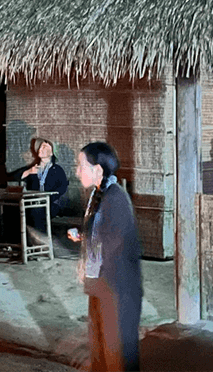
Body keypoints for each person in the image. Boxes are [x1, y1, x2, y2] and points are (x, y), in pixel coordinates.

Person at [69, 142, 142, 372]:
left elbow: (114, 243)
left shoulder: (116, 198)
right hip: (102, 285)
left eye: (82, 166)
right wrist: (83, 236)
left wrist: (87, 258)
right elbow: (102, 233)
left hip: (116, 289)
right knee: (101, 352)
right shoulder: (99, 195)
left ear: (98, 170)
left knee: (116, 357)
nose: (77, 171)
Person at [20, 137, 69, 237]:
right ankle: (30, 244)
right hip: (33, 203)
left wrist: (48, 198)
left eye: (45, 147)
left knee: (37, 211)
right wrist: (29, 172)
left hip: (51, 204)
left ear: (51, 153)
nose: (41, 149)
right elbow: (14, 176)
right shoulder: (34, 168)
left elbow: (63, 187)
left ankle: (39, 243)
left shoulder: (57, 170)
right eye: (40, 147)